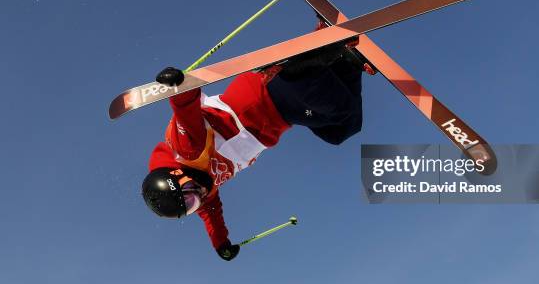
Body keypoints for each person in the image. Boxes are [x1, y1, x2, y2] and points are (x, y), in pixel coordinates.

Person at [142, 18, 370, 261]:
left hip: (265, 96)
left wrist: (178, 88)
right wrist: (221, 243)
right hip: (281, 117)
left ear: (176, 177)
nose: (196, 197)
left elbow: (186, 114)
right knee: (340, 131)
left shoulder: (188, 151)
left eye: (188, 196)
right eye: (190, 205)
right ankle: (348, 61)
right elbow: (211, 212)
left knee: (342, 111)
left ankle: (315, 51)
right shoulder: (203, 188)